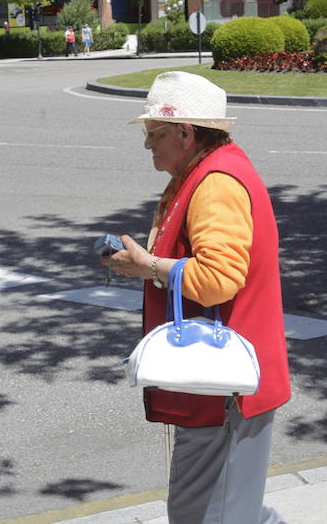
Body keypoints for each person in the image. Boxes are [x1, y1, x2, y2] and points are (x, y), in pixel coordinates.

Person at [102, 71, 291, 524]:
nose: (148, 145)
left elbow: (219, 278)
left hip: (223, 388)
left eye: (155, 134)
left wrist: (146, 266)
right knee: (229, 508)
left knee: (206, 514)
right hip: (222, 383)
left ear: (186, 132)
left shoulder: (216, 181)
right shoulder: (210, 170)